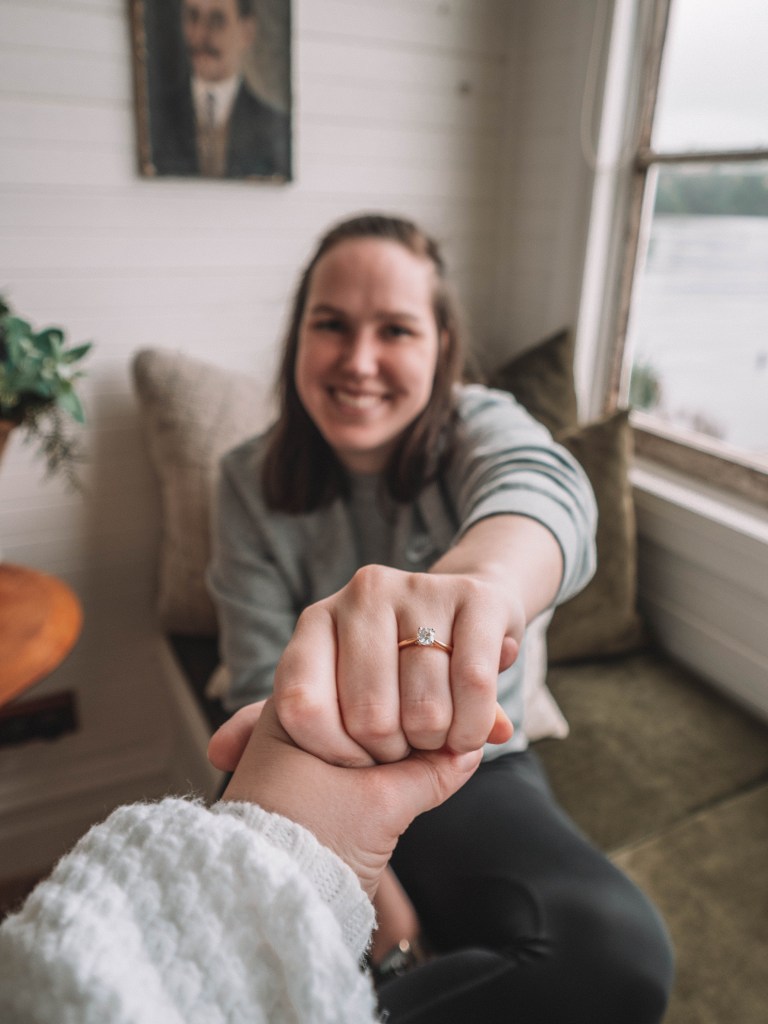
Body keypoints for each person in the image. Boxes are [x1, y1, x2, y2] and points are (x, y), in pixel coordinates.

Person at [207, 212, 676, 1022]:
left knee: (620, 954)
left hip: (475, 768)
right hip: (316, 771)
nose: (359, 361)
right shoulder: (245, 480)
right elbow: (256, 680)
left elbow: (544, 487)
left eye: (394, 329)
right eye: (332, 325)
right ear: (298, 342)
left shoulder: (477, 426)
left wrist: (480, 586)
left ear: (440, 347)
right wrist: (375, 893)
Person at [0, 698, 505, 1023]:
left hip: (493, 763)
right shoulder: (251, 530)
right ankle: (394, 951)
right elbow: (271, 688)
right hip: (314, 740)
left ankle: (390, 951)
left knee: (579, 940)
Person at [149, 0, 291, 180]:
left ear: (246, 31)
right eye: (193, 18)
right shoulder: (158, 114)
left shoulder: (272, 124)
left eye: (217, 21)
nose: (199, 35)